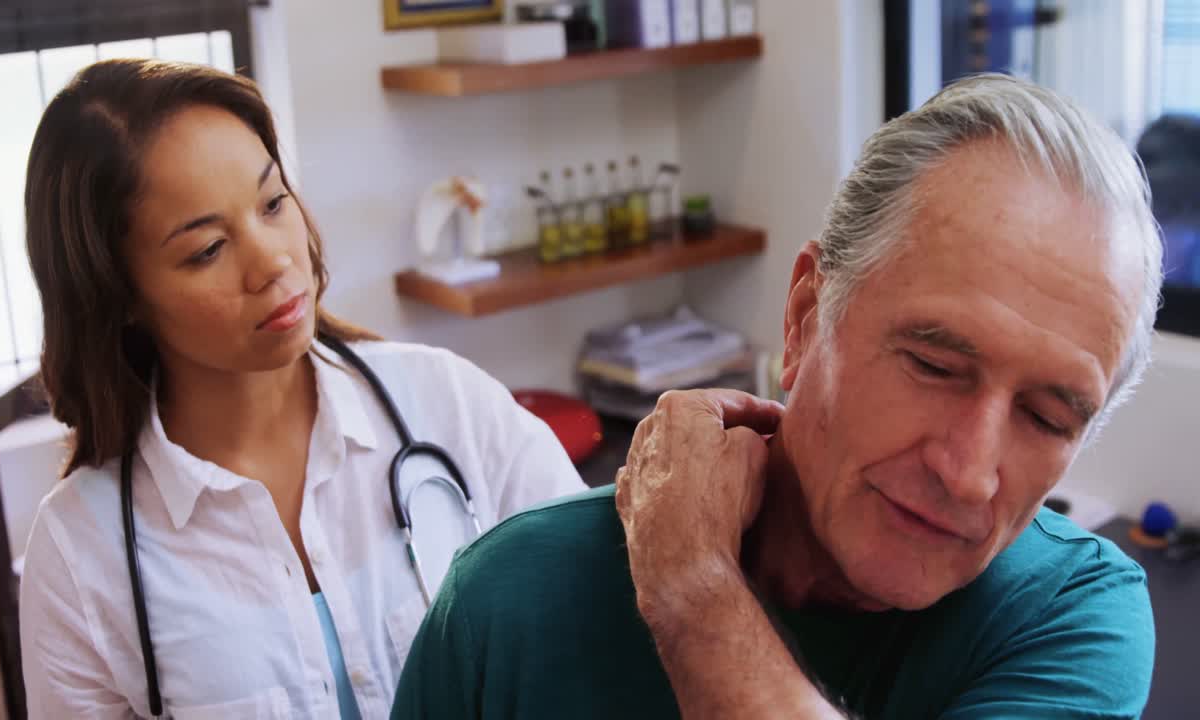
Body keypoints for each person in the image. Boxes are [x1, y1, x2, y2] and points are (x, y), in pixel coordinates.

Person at [391, 74, 1161, 719]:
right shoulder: (513, 600)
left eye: (1045, 418)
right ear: (803, 318)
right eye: (932, 366)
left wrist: (692, 586)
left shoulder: (1071, 619)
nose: (967, 475)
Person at [17, 59, 585, 719]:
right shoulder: (80, 556)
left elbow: (592, 617)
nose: (273, 260)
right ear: (117, 296)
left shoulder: (447, 403)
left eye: (273, 203)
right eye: (207, 249)